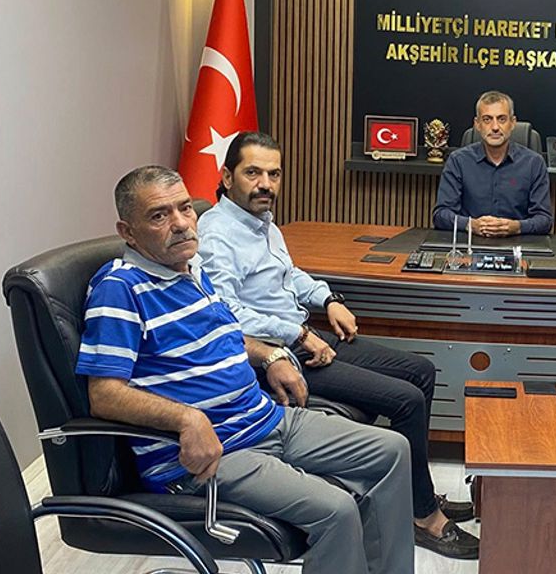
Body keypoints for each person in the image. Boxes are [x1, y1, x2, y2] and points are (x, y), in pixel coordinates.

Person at [76, 165, 414, 574]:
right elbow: (104, 394)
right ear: (128, 232)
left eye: (185, 208)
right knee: (336, 509)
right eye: (159, 215)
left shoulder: (191, 270)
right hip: (212, 454)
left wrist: (269, 356)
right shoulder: (120, 289)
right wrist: (187, 419)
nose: (180, 223)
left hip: (265, 418)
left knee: (392, 450)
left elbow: (225, 335)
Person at [198, 132, 480, 560]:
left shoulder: (261, 221)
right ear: (226, 177)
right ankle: (422, 516)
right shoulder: (217, 233)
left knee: (420, 371)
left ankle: (414, 493)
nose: (265, 184)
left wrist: (328, 299)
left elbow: (289, 276)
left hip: (303, 335)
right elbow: (226, 312)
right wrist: (297, 334)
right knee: (405, 399)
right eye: (253, 173)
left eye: (274, 174)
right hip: (275, 355)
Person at [431, 90, 553, 237]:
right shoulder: (458, 161)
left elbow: (544, 220)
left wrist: (516, 227)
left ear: (512, 123)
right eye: (487, 119)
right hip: (469, 244)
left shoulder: (534, 163)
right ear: (477, 124)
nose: (495, 127)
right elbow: (441, 215)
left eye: (502, 119)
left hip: (518, 245)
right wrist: (471, 225)